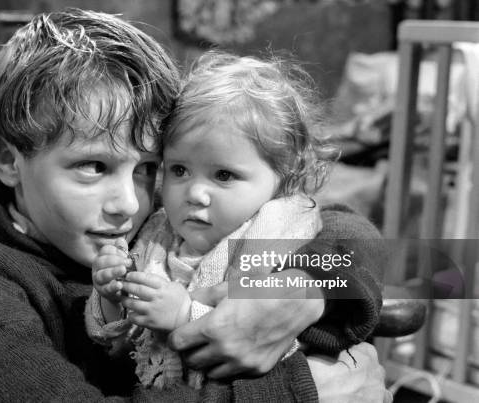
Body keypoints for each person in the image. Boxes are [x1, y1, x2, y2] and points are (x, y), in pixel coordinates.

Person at [0, 8, 389, 402]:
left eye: (150, 168)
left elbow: (425, 260)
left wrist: (305, 287)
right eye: (92, 166)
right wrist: (300, 391)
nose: (128, 203)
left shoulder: (159, 220)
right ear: (8, 160)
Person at [86, 52, 336, 389]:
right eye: (179, 170)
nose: (195, 194)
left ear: (284, 175)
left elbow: (275, 340)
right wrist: (112, 296)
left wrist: (185, 316)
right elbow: (118, 344)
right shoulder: (158, 233)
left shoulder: (278, 234)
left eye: (223, 175)